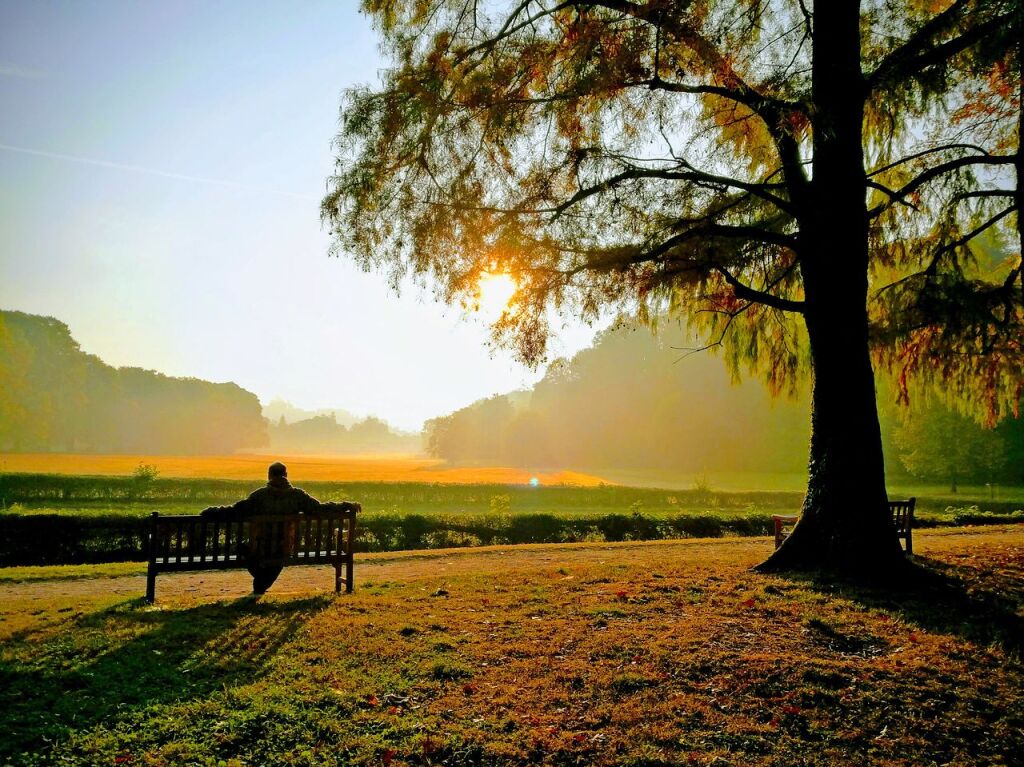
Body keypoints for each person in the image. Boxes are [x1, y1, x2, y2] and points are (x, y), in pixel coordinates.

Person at [201, 462, 360, 593]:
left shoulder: (259, 495)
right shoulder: (298, 496)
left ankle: (260, 584)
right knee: (268, 572)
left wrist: (210, 511)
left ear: (269, 476)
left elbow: (234, 511)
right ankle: (261, 584)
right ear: (286, 475)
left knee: (243, 549)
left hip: (260, 548)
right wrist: (345, 505)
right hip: (284, 548)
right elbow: (320, 509)